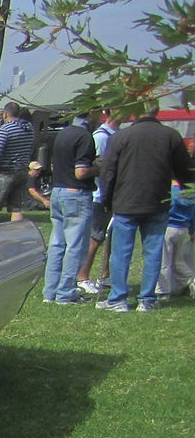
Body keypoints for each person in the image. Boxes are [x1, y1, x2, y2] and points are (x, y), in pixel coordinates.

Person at [96, 106, 193, 312]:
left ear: (135, 113)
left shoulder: (121, 136)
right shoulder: (171, 135)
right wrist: (186, 190)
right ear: (156, 111)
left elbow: (108, 171)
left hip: (125, 201)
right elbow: (185, 170)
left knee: (121, 253)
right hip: (158, 200)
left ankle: (118, 299)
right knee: (153, 252)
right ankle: (147, 299)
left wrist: (106, 198)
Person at [42, 113, 98, 304]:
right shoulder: (84, 137)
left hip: (57, 191)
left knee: (57, 244)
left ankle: (50, 292)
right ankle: (66, 292)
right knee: (75, 246)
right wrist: (99, 167)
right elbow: (81, 172)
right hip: (76, 193)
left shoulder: (62, 134)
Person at [76, 109, 122, 294]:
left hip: (113, 195)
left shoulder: (117, 135)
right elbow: (96, 166)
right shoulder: (101, 137)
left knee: (110, 238)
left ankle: (105, 276)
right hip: (100, 195)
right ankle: (82, 276)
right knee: (95, 238)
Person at [0, 102, 36, 224]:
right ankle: (16, 236)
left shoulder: (5, 129)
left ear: (5, 114)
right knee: (16, 208)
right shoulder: (29, 128)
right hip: (22, 172)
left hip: (4, 172)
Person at [157, 180, 194, 298]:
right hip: (183, 229)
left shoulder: (170, 188)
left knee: (164, 261)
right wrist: (192, 230)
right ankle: (191, 280)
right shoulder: (189, 190)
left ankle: (163, 291)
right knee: (178, 261)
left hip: (168, 227)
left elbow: (165, 207)